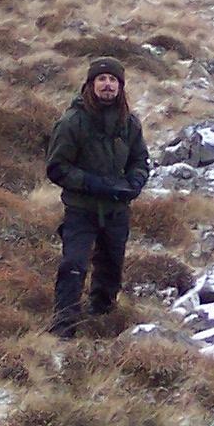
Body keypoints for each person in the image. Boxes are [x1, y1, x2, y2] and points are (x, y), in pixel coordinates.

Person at [45, 56, 151, 338]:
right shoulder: (72, 122)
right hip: (81, 209)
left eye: (112, 80)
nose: (107, 85)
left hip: (117, 210)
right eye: (101, 79)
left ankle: (101, 319)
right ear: (90, 85)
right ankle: (63, 327)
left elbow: (141, 159)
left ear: (120, 86)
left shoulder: (130, 123)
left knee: (111, 266)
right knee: (74, 265)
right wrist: (92, 183)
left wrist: (135, 182)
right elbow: (56, 168)